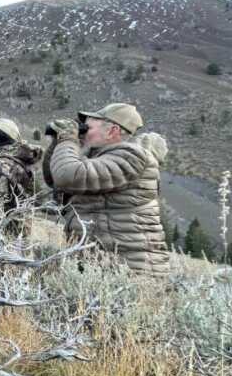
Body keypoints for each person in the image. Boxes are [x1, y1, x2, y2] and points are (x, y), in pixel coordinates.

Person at [43, 103, 169, 276]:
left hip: (129, 272)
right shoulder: (103, 158)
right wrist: (60, 142)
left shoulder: (132, 156)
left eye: (88, 127)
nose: (83, 131)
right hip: (105, 265)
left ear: (112, 131)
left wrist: (68, 139)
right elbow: (54, 179)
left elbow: (67, 176)